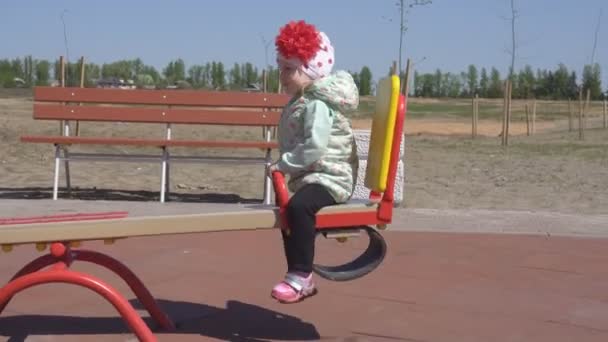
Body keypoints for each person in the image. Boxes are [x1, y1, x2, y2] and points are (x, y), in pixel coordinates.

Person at [268, 20, 360, 303]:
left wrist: (284, 164)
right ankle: (298, 274)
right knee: (289, 213)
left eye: (289, 69)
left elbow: (315, 147)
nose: (281, 74)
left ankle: (301, 275)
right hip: (317, 176)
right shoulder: (304, 98)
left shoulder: (316, 104)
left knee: (298, 207)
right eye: (280, 66)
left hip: (331, 177)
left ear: (311, 70)